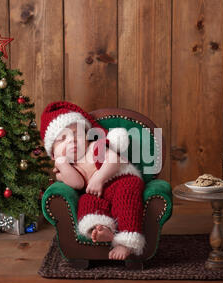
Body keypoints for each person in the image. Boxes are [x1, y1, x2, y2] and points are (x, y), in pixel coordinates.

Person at [40, 101, 146, 260]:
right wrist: (62, 164)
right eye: (62, 138)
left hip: (121, 180)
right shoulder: (66, 168)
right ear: (53, 154)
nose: (72, 140)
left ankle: (126, 242)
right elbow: (78, 184)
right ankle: (102, 229)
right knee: (86, 202)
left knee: (125, 198)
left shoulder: (95, 147)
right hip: (98, 193)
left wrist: (99, 177)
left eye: (77, 134)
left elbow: (114, 160)